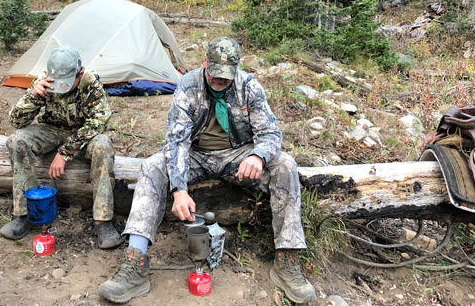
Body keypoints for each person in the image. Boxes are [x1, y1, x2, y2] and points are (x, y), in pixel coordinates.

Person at [99, 37, 315, 303]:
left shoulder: (249, 87)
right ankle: (136, 262)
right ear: (204, 63)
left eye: (226, 76)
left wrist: (258, 156)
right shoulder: (188, 85)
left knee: (285, 165)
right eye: (215, 73)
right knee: (153, 165)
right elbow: (177, 141)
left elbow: (270, 133)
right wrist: (179, 190)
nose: (220, 80)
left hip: (238, 156)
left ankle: (287, 262)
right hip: (196, 154)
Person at [0, 46, 123, 249]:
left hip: (82, 134)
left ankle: (103, 221)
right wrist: (33, 97)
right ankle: (25, 213)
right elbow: (16, 121)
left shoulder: (89, 81)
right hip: (50, 131)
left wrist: (64, 153)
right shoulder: (44, 79)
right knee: (16, 140)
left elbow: (99, 121)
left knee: (103, 144)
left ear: (79, 73)